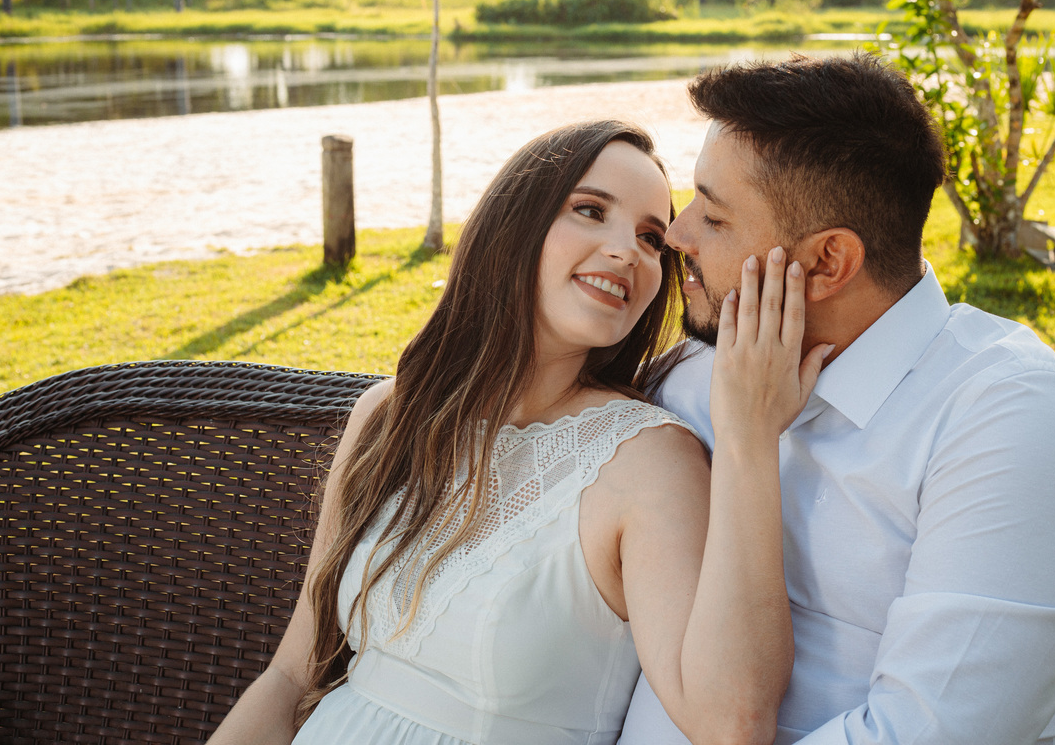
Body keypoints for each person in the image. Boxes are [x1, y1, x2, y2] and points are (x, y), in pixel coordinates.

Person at [207, 119, 830, 745]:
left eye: (650, 238)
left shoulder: (647, 461)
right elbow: (290, 677)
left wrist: (750, 440)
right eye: (591, 211)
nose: (628, 252)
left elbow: (729, 723)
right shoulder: (391, 415)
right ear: (514, 221)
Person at [618, 53, 1055, 745]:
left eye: (713, 218)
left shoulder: (1015, 426)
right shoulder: (695, 371)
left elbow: (920, 734)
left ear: (827, 262)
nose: (675, 236)